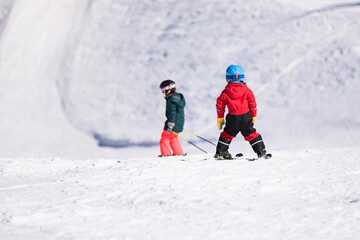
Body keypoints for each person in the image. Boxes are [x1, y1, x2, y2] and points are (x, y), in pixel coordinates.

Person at [215, 64, 270, 159]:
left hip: (232, 118)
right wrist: (254, 115)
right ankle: (261, 151)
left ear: (227, 79)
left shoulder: (225, 92)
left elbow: (220, 106)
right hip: (246, 117)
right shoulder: (247, 91)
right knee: (252, 134)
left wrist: (220, 118)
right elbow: (253, 104)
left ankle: (221, 152)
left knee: (227, 135)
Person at [159, 80, 186, 157]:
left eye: (163, 90)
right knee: (173, 138)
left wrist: (170, 126)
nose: (162, 92)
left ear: (168, 89)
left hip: (173, 123)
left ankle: (166, 154)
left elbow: (172, 114)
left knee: (165, 137)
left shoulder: (171, 100)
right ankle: (179, 153)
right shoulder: (177, 98)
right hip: (178, 123)